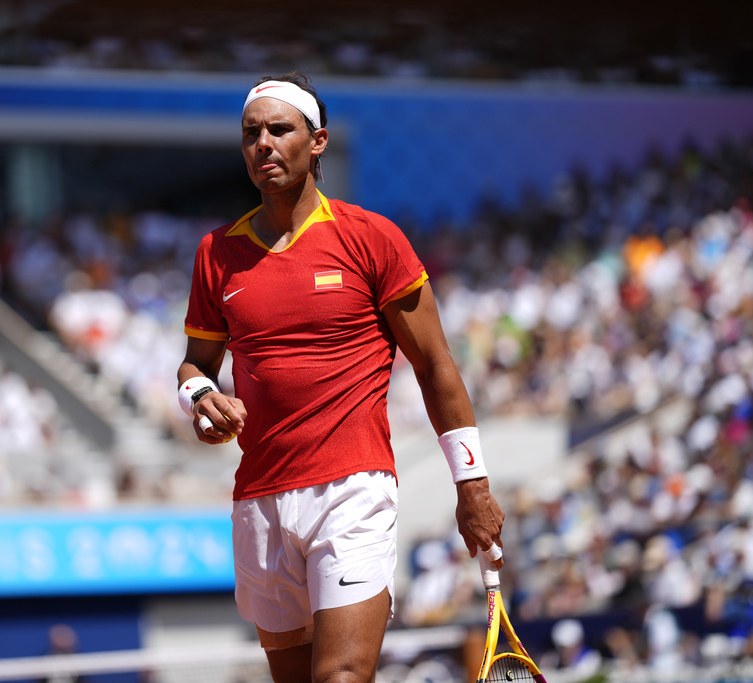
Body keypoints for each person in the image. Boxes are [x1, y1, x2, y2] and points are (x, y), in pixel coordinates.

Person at [177, 72, 506, 683]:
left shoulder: (371, 238)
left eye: (281, 130)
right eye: (252, 133)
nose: (264, 145)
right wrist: (200, 396)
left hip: (353, 490)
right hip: (260, 500)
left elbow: (435, 365)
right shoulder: (215, 252)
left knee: (342, 677)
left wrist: (473, 485)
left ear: (319, 141)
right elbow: (197, 362)